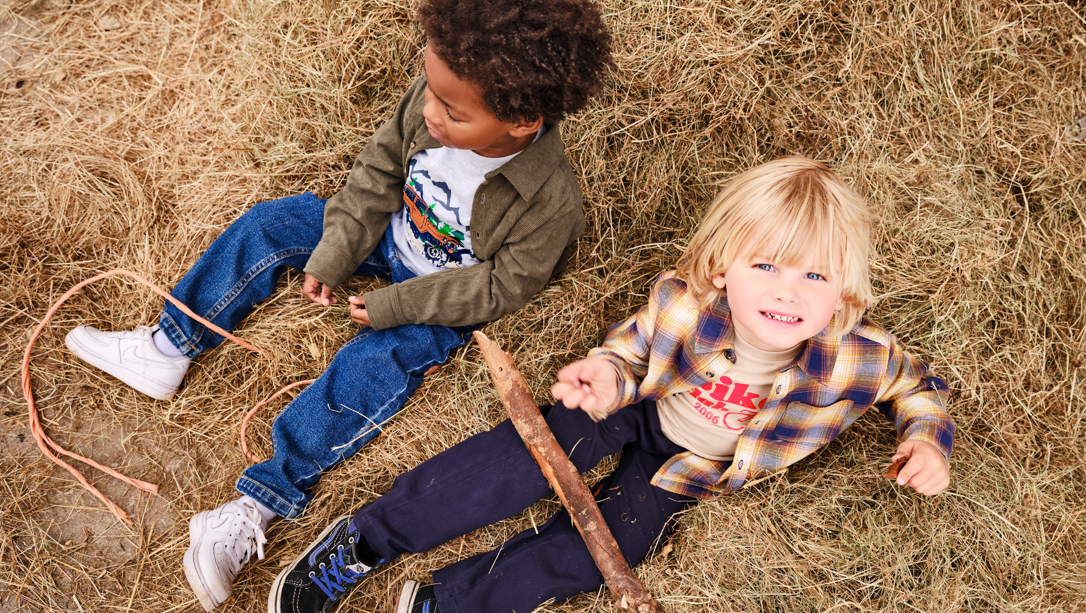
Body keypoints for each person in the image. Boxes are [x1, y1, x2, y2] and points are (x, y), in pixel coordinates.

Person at [61, 0, 614, 609]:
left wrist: (395, 305)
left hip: (440, 302)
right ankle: (170, 345)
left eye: (452, 112)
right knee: (269, 225)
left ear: (522, 121)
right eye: (429, 91)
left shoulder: (549, 202)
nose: (429, 112)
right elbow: (378, 172)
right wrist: (336, 251)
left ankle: (255, 506)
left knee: (370, 368)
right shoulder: (434, 98)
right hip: (388, 235)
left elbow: (500, 288)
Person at [267, 156, 956, 613]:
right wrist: (604, 375)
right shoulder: (685, 304)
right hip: (637, 406)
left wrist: (927, 440)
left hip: (692, 465)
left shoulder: (860, 357)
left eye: (814, 275)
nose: (789, 292)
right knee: (519, 462)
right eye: (767, 267)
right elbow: (632, 350)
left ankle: (449, 603)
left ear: (842, 291)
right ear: (723, 269)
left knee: (613, 546)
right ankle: (368, 540)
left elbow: (920, 385)